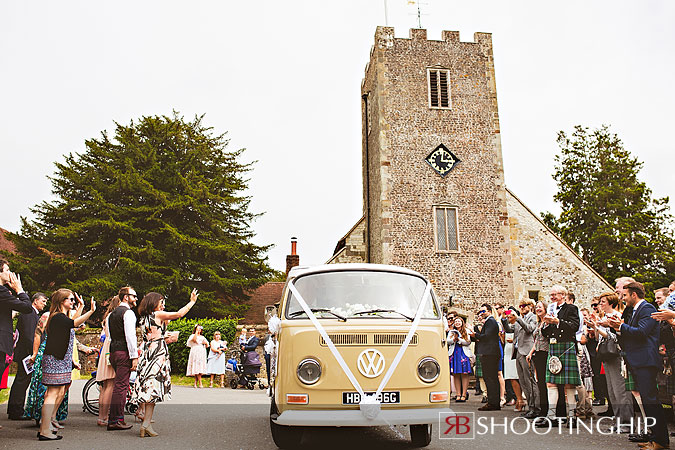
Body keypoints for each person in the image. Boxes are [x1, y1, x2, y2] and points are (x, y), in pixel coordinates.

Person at [610, 281, 668, 450]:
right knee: (647, 400)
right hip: (638, 359)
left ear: (634, 295)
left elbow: (642, 333)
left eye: (625, 295)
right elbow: (631, 334)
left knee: (651, 401)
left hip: (646, 360)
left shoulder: (647, 309)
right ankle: (654, 438)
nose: (624, 299)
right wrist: (618, 328)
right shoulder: (636, 310)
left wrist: (620, 326)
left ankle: (661, 441)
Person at [132, 289, 197, 437]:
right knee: (154, 388)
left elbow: (152, 335)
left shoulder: (143, 318)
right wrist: (191, 302)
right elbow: (179, 314)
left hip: (147, 352)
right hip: (158, 353)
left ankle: (146, 424)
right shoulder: (157, 315)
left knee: (150, 388)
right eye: (161, 302)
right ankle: (146, 424)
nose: (163, 305)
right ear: (154, 303)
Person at [38, 289, 96, 441]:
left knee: (56, 392)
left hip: (60, 359)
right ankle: (44, 430)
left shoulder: (61, 317)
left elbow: (72, 323)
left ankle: (46, 426)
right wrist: (91, 310)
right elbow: (74, 323)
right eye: (70, 299)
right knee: (51, 393)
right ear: (61, 301)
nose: (72, 302)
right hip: (55, 359)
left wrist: (81, 306)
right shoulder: (57, 317)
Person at [535, 285, 581, 428]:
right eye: (551, 295)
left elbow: (575, 326)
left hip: (566, 346)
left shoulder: (571, 308)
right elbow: (547, 332)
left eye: (555, 294)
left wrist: (557, 322)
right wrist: (546, 324)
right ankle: (551, 416)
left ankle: (572, 416)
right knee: (550, 383)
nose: (552, 297)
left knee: (569, 384)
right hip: (554, 347)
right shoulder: (551, 309)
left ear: (563, 295)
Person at [591, 292, 634, 429]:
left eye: (603, 302)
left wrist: (600, 327)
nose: (600, 304)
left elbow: (615, 337)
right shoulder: (603, 316)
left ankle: (627, 422)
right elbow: (599, 339)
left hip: (616, 354)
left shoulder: (616, 316)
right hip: (606, 355)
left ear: (611, 303)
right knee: (611, 391)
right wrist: (595, 325)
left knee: (620, 390)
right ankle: (618, 420)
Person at [7, 292, 47, 420]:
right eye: (43, 301)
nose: (44, 304)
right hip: (26, 353)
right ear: (35, 301)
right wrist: (34, 354)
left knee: (22, 380)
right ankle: (16, 411)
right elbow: (30, 336)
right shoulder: (30, 313)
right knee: (22, 381)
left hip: (26, 352)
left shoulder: (31, 313)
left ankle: (15, 409)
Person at [107, 286, 139, 431]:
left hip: (113, 352)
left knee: (118, 386)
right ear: (126, 297)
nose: (136, 299)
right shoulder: (128, 313)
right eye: (134, 296)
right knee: (121, 387)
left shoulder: (111, 314)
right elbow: (130, 336)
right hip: (123, 353)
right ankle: (115, 420)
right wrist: (134, 356)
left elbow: (109, 336)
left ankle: (115, 418)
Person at [0, 259, 32, 387]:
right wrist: (19, 290)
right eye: (7, 270)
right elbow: (27, 307)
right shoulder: (1, 291)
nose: (10, 273)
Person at [469, 304, 501, 411]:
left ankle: (493, 402)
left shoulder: (490, 321)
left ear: (489, 311)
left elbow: (487, 337)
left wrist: (475, 335)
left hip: (490, 353)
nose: (481, 314)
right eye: (480, 312)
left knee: (490, 378)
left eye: (483, 311)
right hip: (489, 352)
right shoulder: (488, 322)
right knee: (490, 378)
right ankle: (493, 402)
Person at [95, 296, 120, 427]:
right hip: (111, 347)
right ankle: (104, 417)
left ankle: (101, 415)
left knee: (105, 385)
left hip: (106, 347)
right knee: (110, 384)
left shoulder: (108, 316)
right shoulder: (115, 316)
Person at [512, 299, 538, 418]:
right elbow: (510, 329)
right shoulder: (520, 319)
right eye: (520, 305)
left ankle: (535, 407)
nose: (521, 307)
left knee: (529, 380)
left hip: (527, 351)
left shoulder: (533, 317)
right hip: (518, 351)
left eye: (524, 305)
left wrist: (518, 318)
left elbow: (529, 329)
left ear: (530, 306)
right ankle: (529, 406)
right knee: (522, 381)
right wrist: (504, 318)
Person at [526, 300, 549, 418]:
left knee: (546, 383)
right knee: (540, 383)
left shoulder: (548, 320)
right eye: (536, 307)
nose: (537, 309)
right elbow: (536, 340)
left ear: (545, 308)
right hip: (538, 354)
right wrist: (530, 352)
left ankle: (547, 410)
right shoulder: (539, 322)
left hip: (546, 353)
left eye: (540, 307)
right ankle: (543, 410)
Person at [502, 307, 523, 410]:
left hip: (515, 350)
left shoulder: (519, 324)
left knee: (517, 376)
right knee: (510, 376)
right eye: (508, 315)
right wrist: (503, 318)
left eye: (511, 315)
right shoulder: (508, 325)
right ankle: (518, 399)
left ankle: (519, 399)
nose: (509, 317)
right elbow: (507, 329)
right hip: (508, 351)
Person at [448, 316, 473, 402]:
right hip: (454, 353)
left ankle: (464, 394)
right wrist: (453, 340)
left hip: (463, 353)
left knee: (464, 374)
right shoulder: (451, 331)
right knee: (456, 374)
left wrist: (459, 340)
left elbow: (468, 342)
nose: (457, 323)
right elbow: (448, 341)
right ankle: (458, 394)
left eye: (459, 321)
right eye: (456, 322)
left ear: (462, 323)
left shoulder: (466, 331)